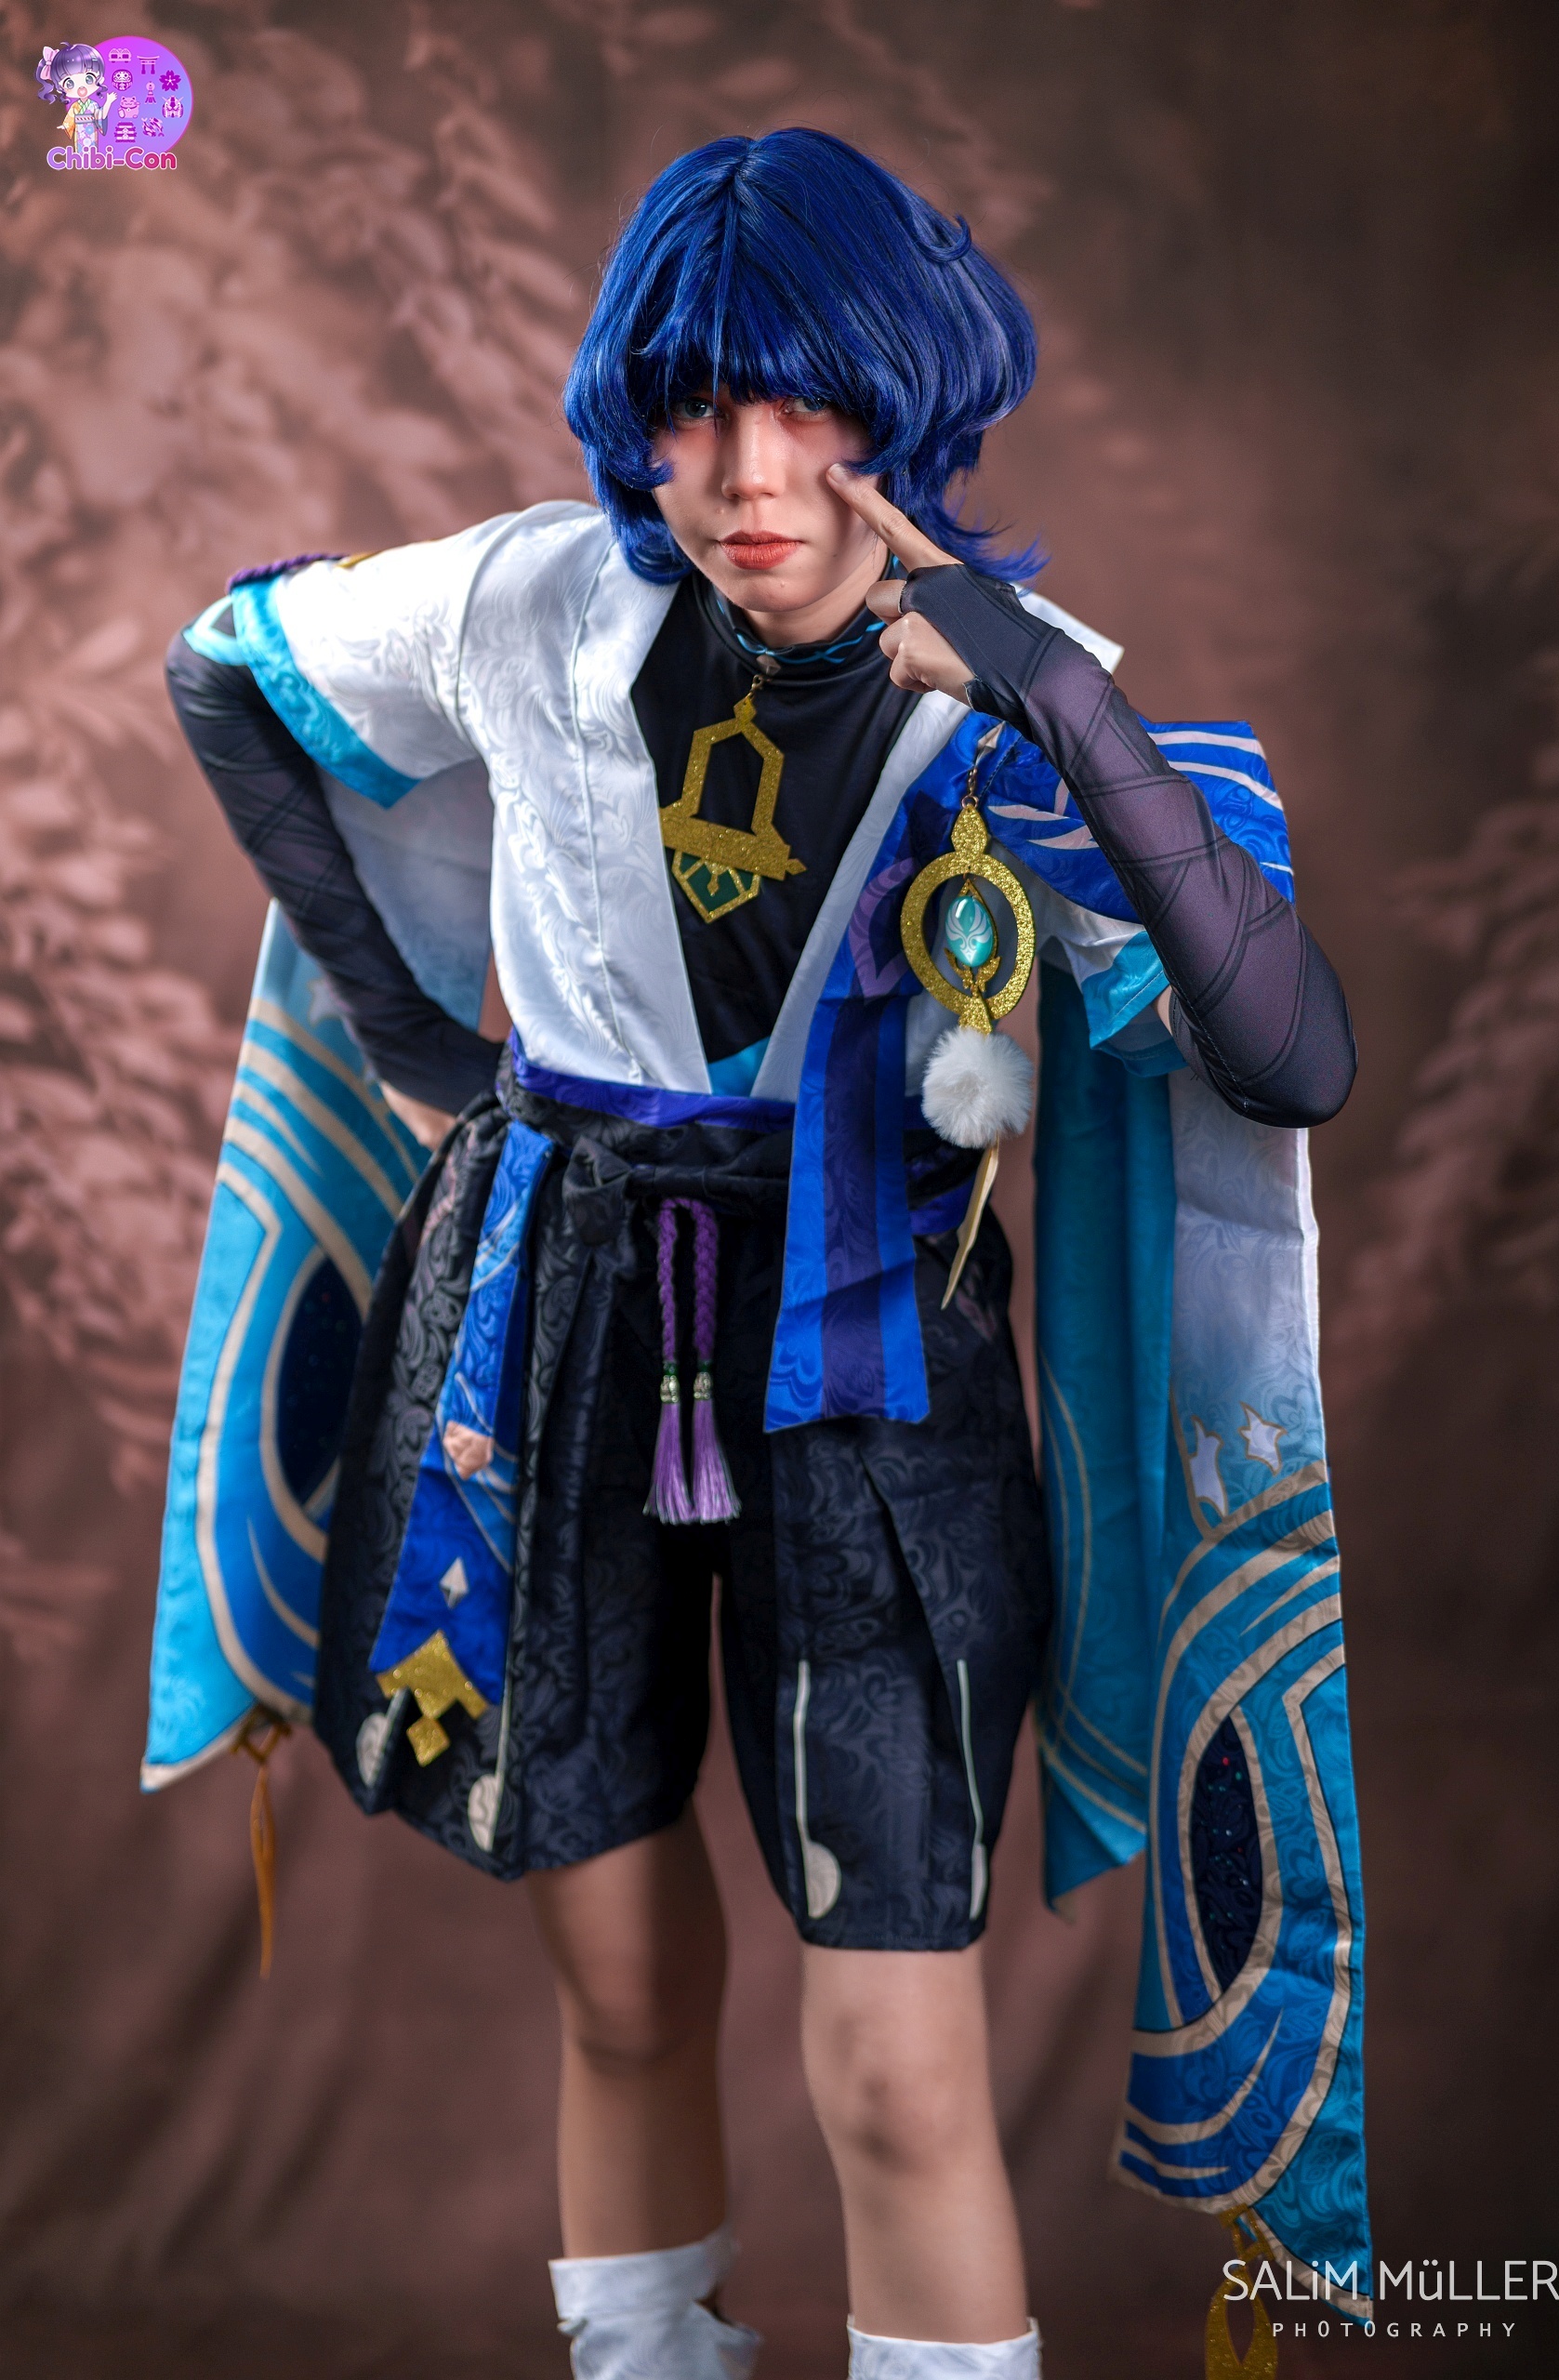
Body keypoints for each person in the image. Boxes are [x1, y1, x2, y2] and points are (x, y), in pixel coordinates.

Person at [159, 129, 1360, 2379]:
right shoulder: (528, 600)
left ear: (904, 405)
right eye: (693, 408)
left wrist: (1049, 700)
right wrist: (414, 1042)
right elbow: (224, 658)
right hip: (546, 1313)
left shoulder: (1027, 704)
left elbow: (1287, 1056)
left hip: (873, 1361)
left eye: (809, 404)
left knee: (894, 2065)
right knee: (618, 1985)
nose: (748, 476)